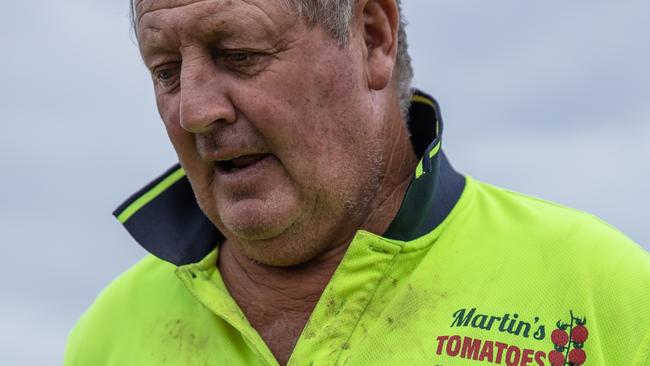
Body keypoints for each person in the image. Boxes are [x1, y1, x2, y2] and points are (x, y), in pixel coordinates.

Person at [65, 0, 650, 365]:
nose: (195, 111)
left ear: (372, 37)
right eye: (165, 71)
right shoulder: (108, 335)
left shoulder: (601, 294)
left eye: (238, 53)